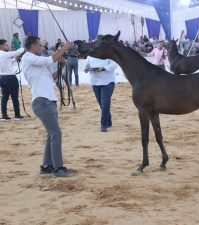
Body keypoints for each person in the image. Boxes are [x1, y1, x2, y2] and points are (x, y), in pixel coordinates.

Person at [21, 36, 75, 177]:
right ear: (33, 46)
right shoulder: (28, 57)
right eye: (40, 45)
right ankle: (58, 168)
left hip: (47, 101)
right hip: (42, 101)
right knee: (56, 134)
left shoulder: (35, 62)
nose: (42, 47)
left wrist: (62, 64)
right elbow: (49, 59)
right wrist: (64, 48)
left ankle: (47, 165)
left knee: (51, 135)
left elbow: (52, 77)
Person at [84, 56, 117, 132]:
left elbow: (114, 65)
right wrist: (87, 68)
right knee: (101, 104)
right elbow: (86, 66)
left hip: (108, 82)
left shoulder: (108, 53)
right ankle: (108, 120)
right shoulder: (90, 55)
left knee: (105, 102)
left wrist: (103, 68)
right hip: (95, 82)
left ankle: (103, 124)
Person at [0, 39, 24, 121]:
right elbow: (17, 52)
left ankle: (4, 115)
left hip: (2, 77)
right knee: (14, 97)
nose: (8, 46)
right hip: (10, 77)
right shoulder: (5, 54)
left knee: (4, 97)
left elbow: (8, 63)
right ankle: (17, 115)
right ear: (1, 45)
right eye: (6, 44)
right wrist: (25, 47)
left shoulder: (3, 55)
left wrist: (15, 59)